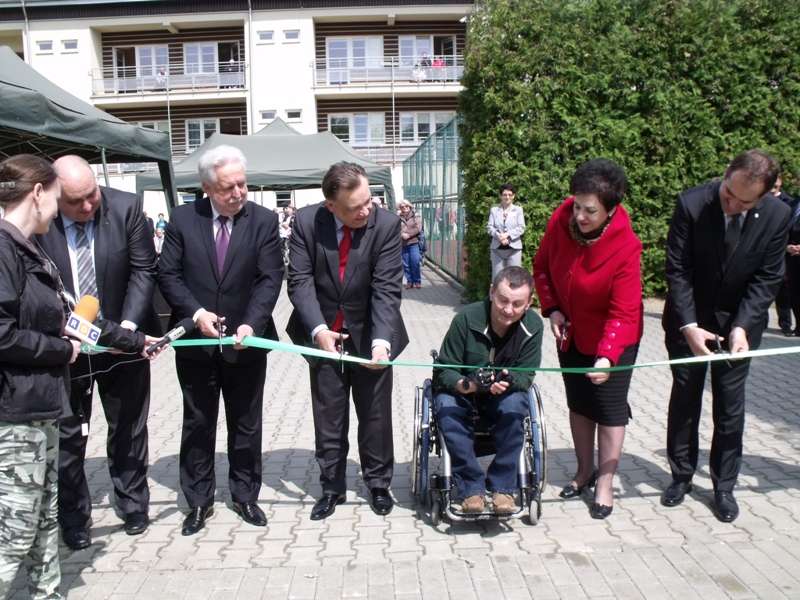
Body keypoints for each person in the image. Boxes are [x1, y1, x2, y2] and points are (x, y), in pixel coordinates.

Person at [0, 154, 157, 599]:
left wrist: (135, 340)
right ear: (39, 194)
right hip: (18, 411)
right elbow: (5, 333)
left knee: (41, 522)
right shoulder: (5, 250)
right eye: (60, 199)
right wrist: (62, 350)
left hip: (42, 403)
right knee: (15, 534)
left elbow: (71, 317)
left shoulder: (29, 248)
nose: (66, 211)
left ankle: (47, 591)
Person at [158, 145, 283, 536]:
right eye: (229, 187)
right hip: (196, 344)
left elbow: (270, 278)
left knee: (246, 421)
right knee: (198, 421)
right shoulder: (182, 219)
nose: (238, 193)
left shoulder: (263, 221)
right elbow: (169, 275)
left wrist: (252, 324)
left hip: (246, 342)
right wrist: (196, 314)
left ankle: (245, 495)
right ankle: (198, 500)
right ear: (208, 188)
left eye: (242, 184)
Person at [36, 155, 160, 550]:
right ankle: (74, 517)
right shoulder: (40, 222)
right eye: (76, 201)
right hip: (67, 346)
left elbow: (143, 271)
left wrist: (127, 329)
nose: (89, 205)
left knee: (129, 427)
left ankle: (133, 504)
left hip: (124, 342)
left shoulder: (126, 208)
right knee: (68, 435)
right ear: (55, 196)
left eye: (92, 194)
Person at [662, 149, 790, 523]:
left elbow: (767, 277)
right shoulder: (691, 204)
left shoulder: (778, 215)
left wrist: (742, 326)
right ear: (726, 173)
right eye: (728, 193)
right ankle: (681, 476)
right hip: (688, 321)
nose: (731, 204)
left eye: (743, 202)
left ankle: (724, 486)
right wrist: (688, 326)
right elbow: (678, 270)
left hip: (739, 327)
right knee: (685, 400)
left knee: (730, 408)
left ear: (763, 197)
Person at [287, 161, 408, 520]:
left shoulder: (386, 225)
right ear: (331, 206)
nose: (366, 210)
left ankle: (378, 484)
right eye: (356, 207)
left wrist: (381, 343)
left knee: (375, 416)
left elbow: (387, 288)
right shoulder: (306, 223)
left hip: (371, 333)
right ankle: (332, 487)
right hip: (324, 335)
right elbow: (299, 281)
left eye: (369, 200)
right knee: (329, 417)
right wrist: (318, 330)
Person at [533, 158, 643, 519]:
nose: (578, 215)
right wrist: (552, 309)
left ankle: (605, 483)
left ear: (610, 211)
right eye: (577, 205)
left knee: (609, 409)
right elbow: (542, 266)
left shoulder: (626, 246)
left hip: (615, 338)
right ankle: (583, 471)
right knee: (580, 403)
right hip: (571, 332)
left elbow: (624, 313)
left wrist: (607, 356)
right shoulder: (561, 218)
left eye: (589, 211)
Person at [432, 266, 542, 513]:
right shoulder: (466, 319)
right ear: (492, 292)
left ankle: (503, 488)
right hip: (464, 393)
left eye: (517, 304)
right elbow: (443, 370)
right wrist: (466, 384)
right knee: (446, 407)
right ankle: (471, 488)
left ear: (529, 303)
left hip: (503, 395)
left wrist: (508, 381)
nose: (508, 309)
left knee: (515, 405)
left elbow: (526, 375)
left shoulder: (533, 325)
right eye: (503, 300)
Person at [771, 176, 795, 334]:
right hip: (764, 248)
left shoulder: (790, 202)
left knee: (783, 291)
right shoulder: (758, 198)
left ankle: (785, 324)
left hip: (784, 250)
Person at [487, 183, 525, 279]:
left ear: (513, 196)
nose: (507, 197)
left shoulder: (518, 210)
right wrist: (499, 236)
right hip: (497, 250)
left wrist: (507, 235)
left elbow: (521, 227)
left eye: (510, 194)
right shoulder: (494, 210)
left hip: (514, 250)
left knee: (515, 278)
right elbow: (490, 227)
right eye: (504, 194)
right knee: (497, 278)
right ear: (500, 196)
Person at [398, 200, 422, 289]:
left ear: (409, 206)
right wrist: (401, 234)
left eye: (406, 206)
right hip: (403, 244)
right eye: (402, 207)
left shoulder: (416, 215)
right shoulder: (398, 217)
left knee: (415, 262)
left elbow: (418, 228)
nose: (404, 208)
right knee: (406, 264)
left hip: (413, 243)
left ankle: (417, 281)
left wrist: (408, 235)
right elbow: (395, 228)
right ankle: (409, 281)